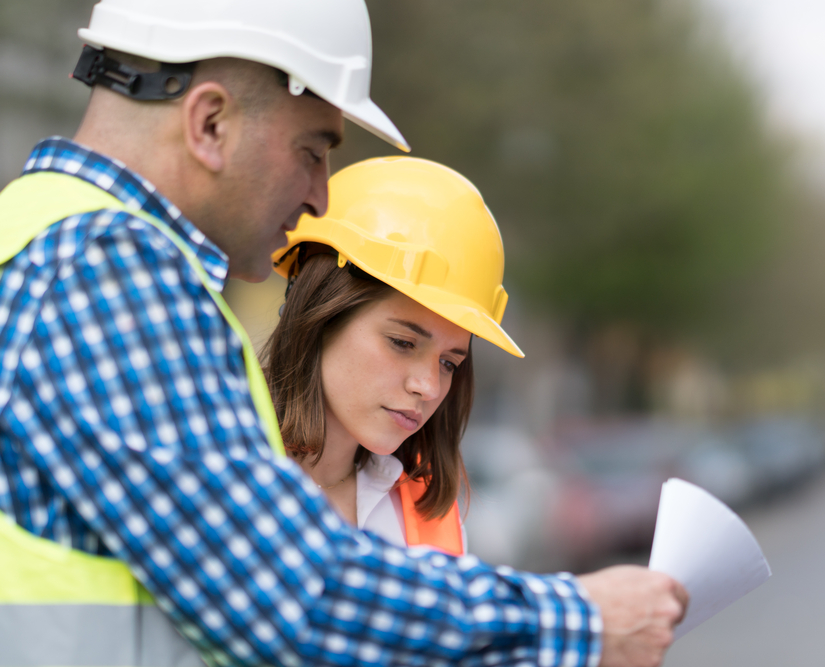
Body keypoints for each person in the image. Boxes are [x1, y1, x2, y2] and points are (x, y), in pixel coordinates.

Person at [0, 2, 688, 666]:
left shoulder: (41, 235)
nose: (321, 197)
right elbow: (283, 596)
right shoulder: (103, 267)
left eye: (450, 359)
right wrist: (581, 621)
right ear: (209, 122)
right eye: (311, 151)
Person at [264, 156, 525, 556]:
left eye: (449, 363)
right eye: (403, 343)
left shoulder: (429, 515)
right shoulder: (222, 464)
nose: (429, 387)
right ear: (318, 315)